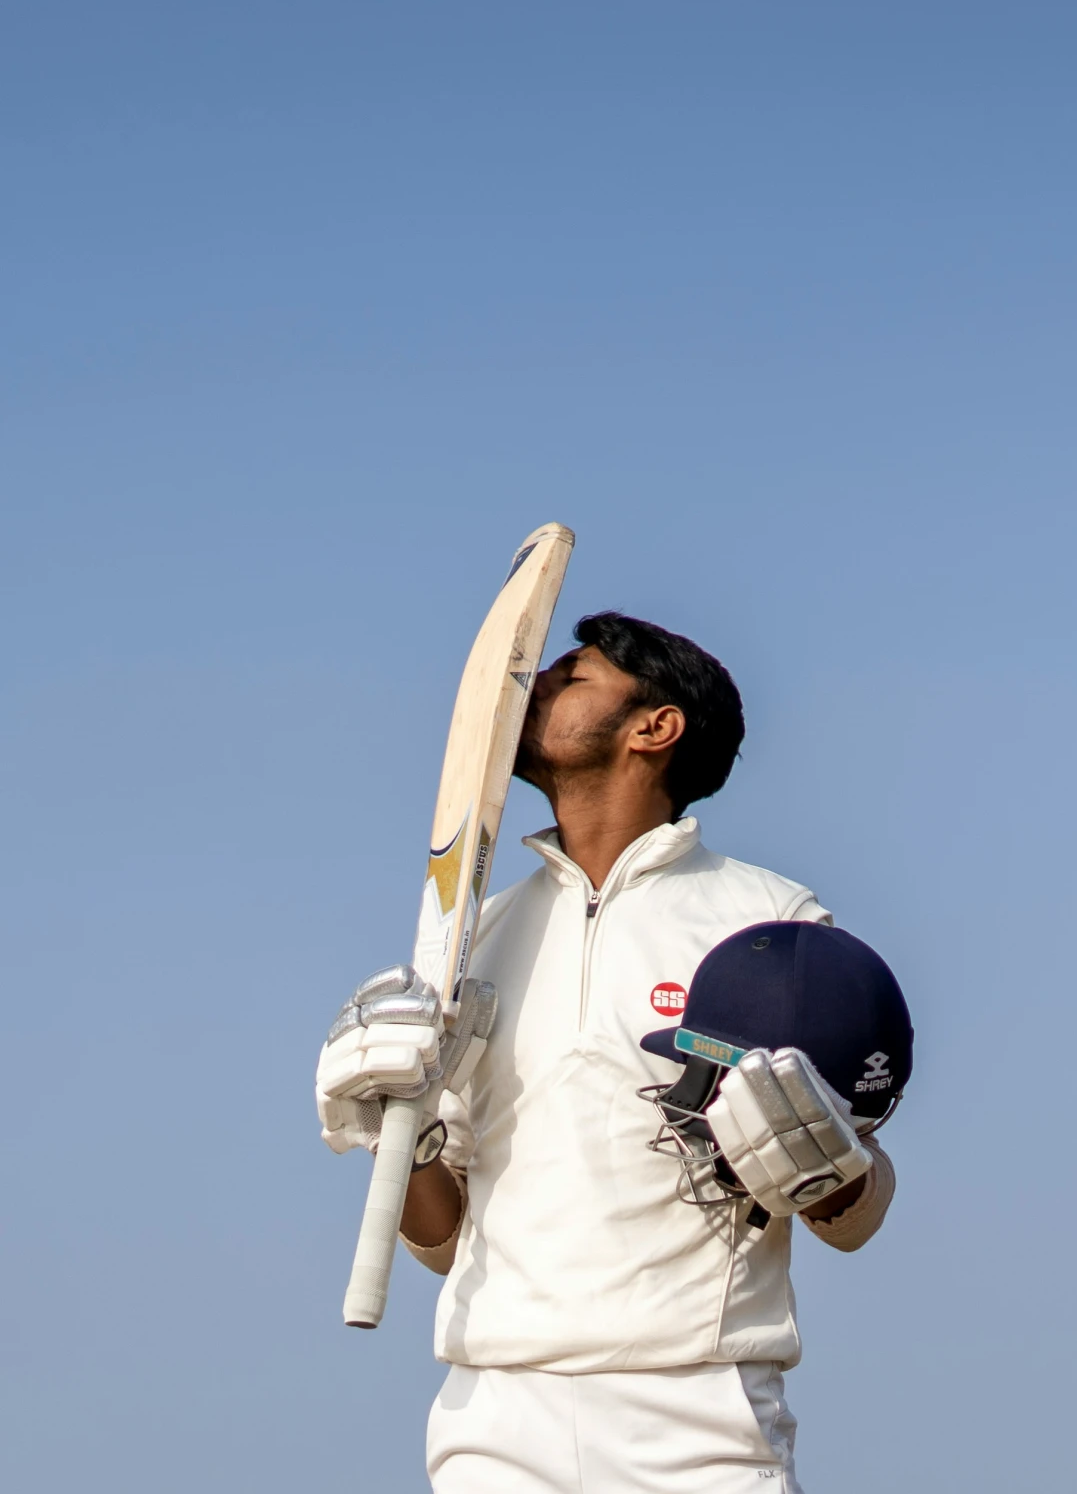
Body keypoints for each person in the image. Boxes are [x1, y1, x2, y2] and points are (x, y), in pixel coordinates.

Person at [314, 612, 904, 1494]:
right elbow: (443, 1238)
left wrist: (829, 1167)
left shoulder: (772, 925)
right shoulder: (474, 940)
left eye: (569, 674)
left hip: (697, 1418)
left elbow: (857, 1210)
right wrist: (395, 1135)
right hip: (495, 1415)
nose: (530, 686)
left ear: (653, 727)